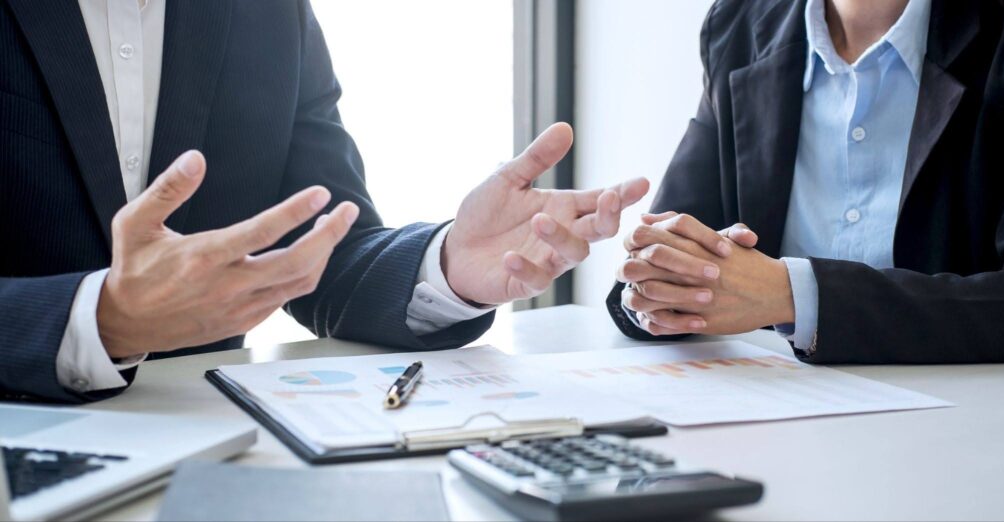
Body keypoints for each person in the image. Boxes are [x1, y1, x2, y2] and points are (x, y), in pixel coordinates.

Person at [0, 0, 649, 403]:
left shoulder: (269, 13)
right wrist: (98, 319)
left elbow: (322, 255)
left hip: (215, 454)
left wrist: (450, 264)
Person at [608, 0, 1004, 363]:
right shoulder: (740, 23)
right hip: (775, 413)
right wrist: (652, 282)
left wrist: (794, 295)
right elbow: (671, 257)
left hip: (961, 426)